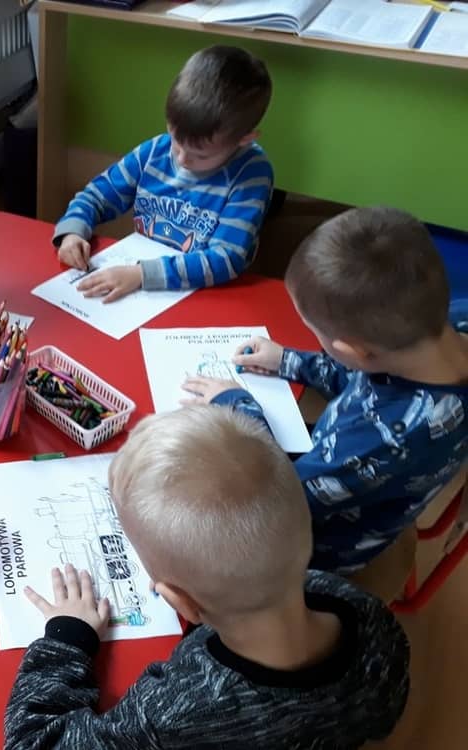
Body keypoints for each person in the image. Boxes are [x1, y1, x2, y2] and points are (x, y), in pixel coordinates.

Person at [4, 407, 410, 749]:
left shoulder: (175, 711)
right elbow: (384, 711)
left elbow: (36, 742)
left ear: (180, 602)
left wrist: (68, 638)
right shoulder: (365, 611)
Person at [182, 206, 468, 573]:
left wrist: (238, 407)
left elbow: (276, 498)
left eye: (314, 330)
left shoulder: (382, 441)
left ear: (353, 350)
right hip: (347, 474)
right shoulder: (441, 327)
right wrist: (289, 361)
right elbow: (366, 375)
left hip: (318, 545)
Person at [54, 45, 273, 302]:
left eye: (200, 155)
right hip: (146, 291)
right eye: (176, 142)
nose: (181, 160)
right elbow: (95, 196)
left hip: (209, 294)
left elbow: (226, 258)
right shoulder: (155, 152)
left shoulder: (251, 174)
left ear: (244, 139)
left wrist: (141, 275)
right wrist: (72, 232)